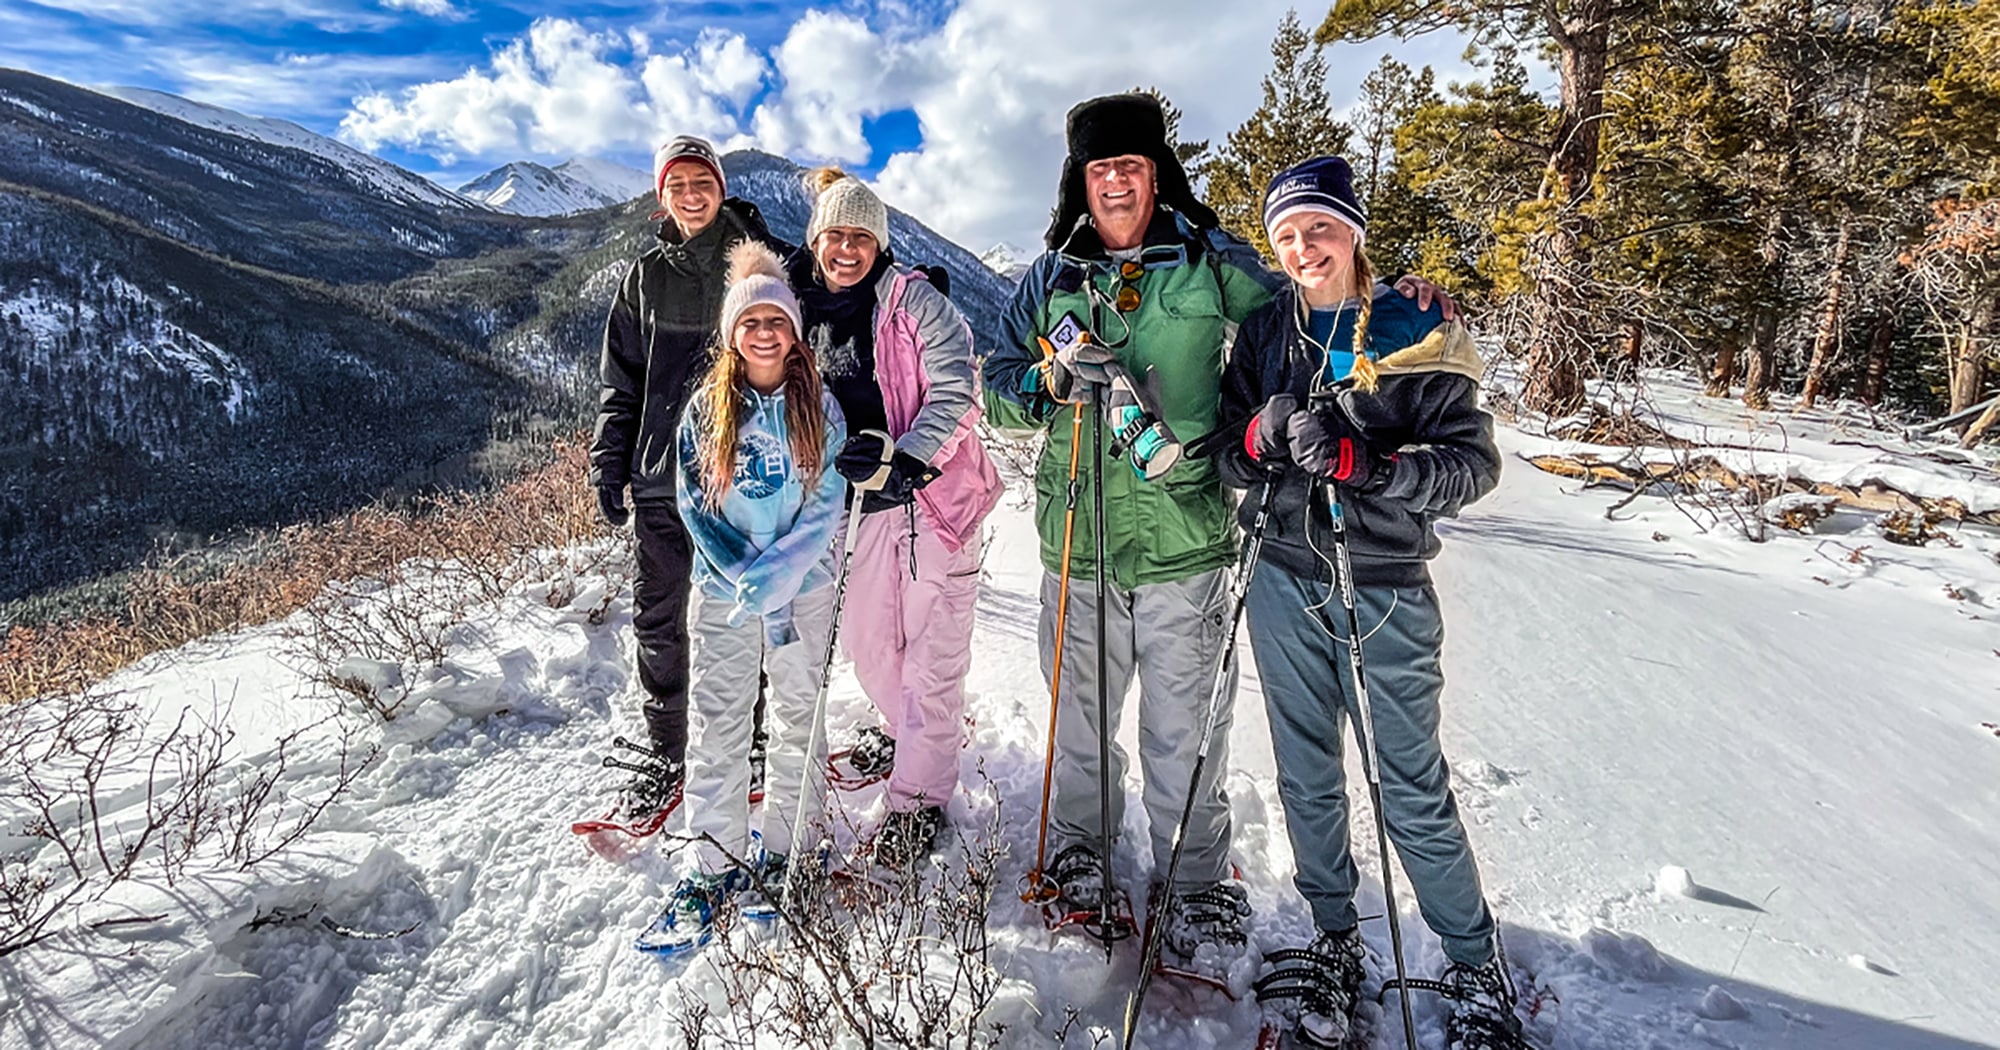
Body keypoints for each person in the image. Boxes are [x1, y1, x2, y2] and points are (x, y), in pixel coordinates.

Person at [1217, 157, 1520, 1049]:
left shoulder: (1414, 322)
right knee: (1305, 773)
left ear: (1352, 230)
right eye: (1286, 234)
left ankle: (1473, 965)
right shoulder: (1267, 328)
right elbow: (1227, 454)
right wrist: (1258, 437)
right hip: (1280, 573)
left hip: (1383, 583)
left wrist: (1370, 466)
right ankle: (1334, 936)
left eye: (1319, 227)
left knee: (1408, 786)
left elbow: (1472, 465)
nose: (1304, 247)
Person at [981, 92, 1285, 975]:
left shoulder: (1207, 260)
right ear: (1079, 180)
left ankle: (1195, 881)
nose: (1115, 181)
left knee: (1186, 729)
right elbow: (998, 387)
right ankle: (1082, 852)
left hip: (1184, 535)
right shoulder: (1051, 277)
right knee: (1080, 719)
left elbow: (1299, 319)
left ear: (1157, 174)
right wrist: (1046, 383)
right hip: (1077, 534)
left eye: (1131, 165)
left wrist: (1393, 302)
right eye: (1100, 167)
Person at [789, 168, 1003, 868]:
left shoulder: (913, 303)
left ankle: (920, 800)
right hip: (854, 510)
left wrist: (906, 458)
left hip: (933, 504)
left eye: (862, 237)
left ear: (880, 244)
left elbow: (957, 390)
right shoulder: (799, 307)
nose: (848, 249)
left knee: (931, 662)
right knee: (870, 649)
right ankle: (917, 734)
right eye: (835, 235)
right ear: (815, 240)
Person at [643, 241, 848, 951]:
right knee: (719, 722)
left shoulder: (819, 407)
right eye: (751, 322)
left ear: (795, 332)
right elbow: (696, 507)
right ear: (732, 334)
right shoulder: (708, 410)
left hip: (804, 592)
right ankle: (712, 862)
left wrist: (777, 577)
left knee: (799, 719)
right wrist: (746, 578)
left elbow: (824, 507)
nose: (764, 333)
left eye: (777, 322)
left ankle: (791, 848)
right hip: (724, 593)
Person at [590, 136, 791, 818]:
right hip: (660, 479)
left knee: (743, 611)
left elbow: (823, 296)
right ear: (662, 197)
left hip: (737, 477)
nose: (690, 195)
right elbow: (621, 381)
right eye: (676, 185)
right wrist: (608, 460)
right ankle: (668, 748)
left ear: (720, 188)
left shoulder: (756, 262)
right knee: (658, 618)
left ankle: (750, 739)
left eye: (701, 182)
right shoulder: (644, 277)